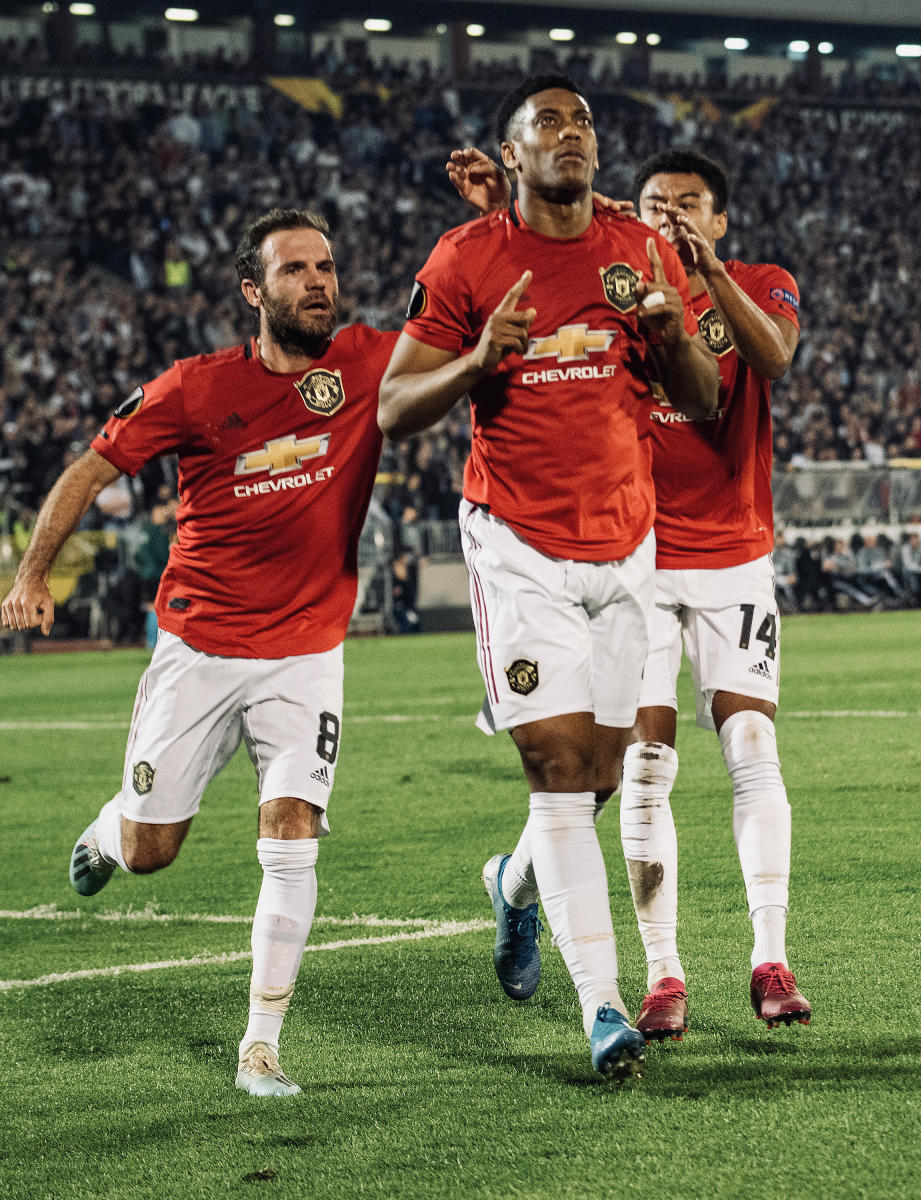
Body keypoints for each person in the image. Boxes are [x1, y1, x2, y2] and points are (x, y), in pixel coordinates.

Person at [1, 208, 396, 1097]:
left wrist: (496, 209)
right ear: (254, 291)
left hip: (307, 650)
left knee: (292, 837)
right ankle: (108, 831)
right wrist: (32, 572)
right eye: (295, 270)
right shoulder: (192, 386)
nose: (318, 281)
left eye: (326, 266)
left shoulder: (369, 362)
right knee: (152, 850)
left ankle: (261, 1047)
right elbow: (90, 471)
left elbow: (464, 325)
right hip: (202, 645)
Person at [379, 75, 718, 1080]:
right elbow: (395, 406)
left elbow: (701, 397)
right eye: (548, 124)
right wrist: (478, 358)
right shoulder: (467, 257)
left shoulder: (639, 247)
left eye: (582, 123)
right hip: (517, 545)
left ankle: (513, 888)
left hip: (627, 543)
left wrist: (665, 332)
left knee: (596, 779)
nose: (571, 135)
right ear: (512, 155)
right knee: (561, 777)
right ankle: (604, 1008)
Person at [618, 148, 809, 1039]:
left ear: (720, 219)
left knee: (752, 746)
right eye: (657, 204)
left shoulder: (763, 282)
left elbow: (771, 360)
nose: (672, 216)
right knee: (645, 770)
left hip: (733, 556)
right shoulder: (613, 294)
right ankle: (663, 976)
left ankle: (769, 958)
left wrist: (710, 272)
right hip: (638, 563)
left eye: (689, 204)